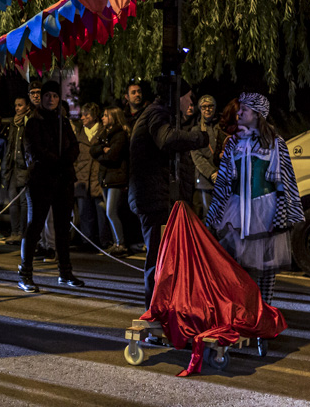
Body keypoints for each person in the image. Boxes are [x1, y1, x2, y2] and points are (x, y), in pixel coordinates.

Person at [205, 92, 304, 306]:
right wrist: (212, 217)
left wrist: (292, 214)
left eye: (244, 110)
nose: (239, 113)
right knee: (238, 265)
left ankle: (264, 312)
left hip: (266, 211)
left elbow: (287, 180)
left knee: (267, 267)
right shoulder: (233, 143)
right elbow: (223, 183)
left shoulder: (275, 142)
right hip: (238, 211)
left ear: (258, 114)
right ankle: (244, 311)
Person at [129, 80, 209, 308]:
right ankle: (156, 315)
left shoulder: (160, 114)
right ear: (177, 97)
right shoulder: (157, 114)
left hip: (159, 198)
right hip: (154, 199)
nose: (191, 102)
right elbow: (167, 139)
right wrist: (198, 138)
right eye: (188, 97)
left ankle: (168, 312)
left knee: (167, 260)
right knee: (158, 261)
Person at [18, 80, 83, 292]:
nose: (51, 99)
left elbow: (74, 146)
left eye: (55, 96)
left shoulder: (63, 121)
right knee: (35, 227)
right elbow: (36, 151)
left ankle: (65, 272)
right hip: (41, 180)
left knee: (63, 228)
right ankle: (25, 273)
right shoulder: (33, 123)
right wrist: (58, 160)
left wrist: (67, 159)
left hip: (63, 180)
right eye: (48, 95)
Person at [92, 106, 130, 256]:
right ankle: (116, 242)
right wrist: (103, 149)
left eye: (106, 115)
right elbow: (93, 150)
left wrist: (103, 153)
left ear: (114, 117)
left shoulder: (120, 135)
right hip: (106, 178)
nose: (102, 118)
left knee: (111, 211)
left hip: (116, 178)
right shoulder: (104, 134)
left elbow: (113, 156)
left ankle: (121, 244)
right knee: (109, 211)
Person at [72, 102, 107, 250]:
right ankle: (87, 241)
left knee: (101, 212)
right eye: (82, 114)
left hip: (97, 179)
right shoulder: (80, 134)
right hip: (81, 179)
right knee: (85, 212)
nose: (82, 117)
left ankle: (104, 241)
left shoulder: (102, 132)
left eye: (86, 114)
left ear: (94, 116)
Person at [3, 95, 33, 244]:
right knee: (13, 202)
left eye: (20, 105)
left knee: (24, 202)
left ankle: (23, 232)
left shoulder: (28, 122)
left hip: (24, 168)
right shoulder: (13, 123)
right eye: (16, 105)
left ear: (27, 106)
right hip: (12, 168)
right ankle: (14, 232)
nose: (17, 108)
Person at [192, 95, 222, 221]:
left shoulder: (221, 127)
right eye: (204, 107)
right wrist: (211, 173)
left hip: (223, 177)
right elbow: (197, 156)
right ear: (200, 109)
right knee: (208, 215)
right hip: (205, 181)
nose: (207, 109)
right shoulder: (196, 130)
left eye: (210, 106)